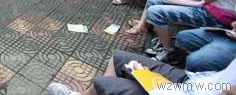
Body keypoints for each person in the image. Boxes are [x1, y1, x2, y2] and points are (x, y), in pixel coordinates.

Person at [48, 50, 236, 95]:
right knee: (118, 57)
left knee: (101, 83)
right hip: (198, 81)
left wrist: (156, 83)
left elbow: (227, 91)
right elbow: (224, 86)